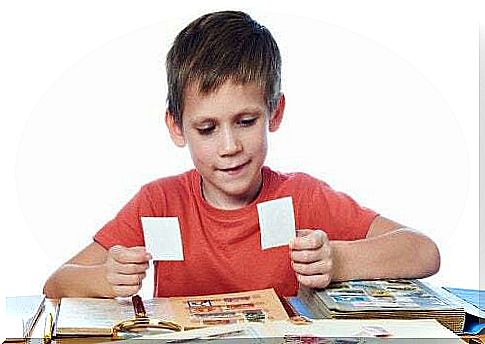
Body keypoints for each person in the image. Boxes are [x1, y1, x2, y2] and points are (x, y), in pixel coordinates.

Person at [43, 10, 440, 299]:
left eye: (246, 121)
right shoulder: (160, 204)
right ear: (177, 128)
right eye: (207, 129)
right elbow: (56, 282)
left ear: (275, 113)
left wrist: (338, 260)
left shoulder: (299, 198)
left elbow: (423, 251)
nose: (230, 147)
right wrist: (103, 279)